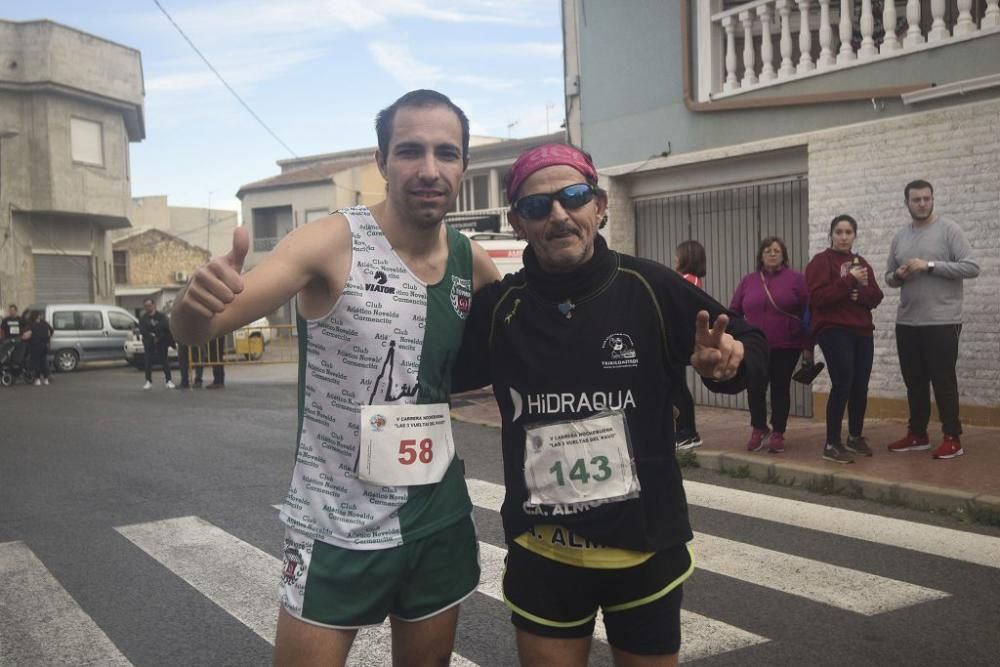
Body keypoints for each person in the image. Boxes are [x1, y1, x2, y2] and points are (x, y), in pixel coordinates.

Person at [169, 90, 499, 666]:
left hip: (438, 518)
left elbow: (532, 350)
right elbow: (197, 333)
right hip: (337, 524)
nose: (429, 169)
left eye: (446, 153)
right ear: (381, 161)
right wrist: (192, 304)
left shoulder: (474, 264)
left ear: (463, 167)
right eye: (409, 151)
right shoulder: (330, 242)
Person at [453, 144, 767, 667]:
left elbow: (748, 339)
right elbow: (436, 371)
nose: (558, 215)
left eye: (573, 197)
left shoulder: (648, 286)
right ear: (517, 223)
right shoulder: (502, 307)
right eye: (537, 206)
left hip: (643, 545)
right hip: (543, 551)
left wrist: (731, 363)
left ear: (599, 206)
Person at [884, 180, 979, 460]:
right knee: (914, 381)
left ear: (933, 199)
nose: (922, 203)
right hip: (907, 322)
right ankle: (918, 434)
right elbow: (889, 278)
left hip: (942, 321)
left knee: (943, 381)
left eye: (926, 198)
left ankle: (953, 437)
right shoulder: (900, 237)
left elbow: (972, 267)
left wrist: (930, 266)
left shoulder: (949, 230)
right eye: (916, 200)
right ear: (907, 203)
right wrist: (900, 275)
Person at [805, 215, 884, 464]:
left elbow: (876, 296)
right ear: (831, 234)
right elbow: (818, 298)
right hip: (834, 329)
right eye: (838, 232)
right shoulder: (821, 262)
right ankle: (831, 442)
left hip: (862, 330)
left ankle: (855, 436)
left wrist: (857, 295)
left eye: (848, 232)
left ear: (854, 235)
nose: (843, 237)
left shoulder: (861, 263)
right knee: (843, 383)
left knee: (860, 385)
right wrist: (849, 280)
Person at [730, 237, 811, 454]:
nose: (772, 254)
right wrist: (736, 337)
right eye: (767, 250)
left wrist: (807, 344)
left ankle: (778, 432)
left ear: (783, 255)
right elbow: (734, 310)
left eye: (776, 250)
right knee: (754, 386)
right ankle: (758, 427)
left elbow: (807, 312)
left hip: (787, 344)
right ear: (761, 256)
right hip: (755, 346)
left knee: (780, 388)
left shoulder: (796, 279)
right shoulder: (749, 280)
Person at [673, 240, 707, 450]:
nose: (675, 259)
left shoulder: (689, 280)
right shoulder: (684, 279)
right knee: (676, 386)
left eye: (678, 255)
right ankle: (684, 431)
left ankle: (688, 432)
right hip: (677, 338)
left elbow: (682, 307)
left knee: (678, 387)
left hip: (679, 339)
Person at [138, 298, 175, 390]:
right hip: (149, 342)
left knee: (164, 361)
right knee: (148, 361)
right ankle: (148, 381)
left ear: (154, 305)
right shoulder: (143, 318)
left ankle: (168, 380)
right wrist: (151, 335)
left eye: (149, 305)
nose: (147, 307)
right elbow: (142, 330)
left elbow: (165, 327)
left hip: (161, 341)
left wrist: (158, 335)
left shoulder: (161, 316)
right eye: (146, 306)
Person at [22, 310, 54, 385]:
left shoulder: (30, 325)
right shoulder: (45, 324)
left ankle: (37, 379)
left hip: (34, 346)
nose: (41, 316)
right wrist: (48, 338)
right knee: (43, 363)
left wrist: (27, 340)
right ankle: (46, 379)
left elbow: (25, 336)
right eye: (40, 315)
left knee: (36, 363)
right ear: (38, 316)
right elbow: (51, 331)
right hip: (44, 345)